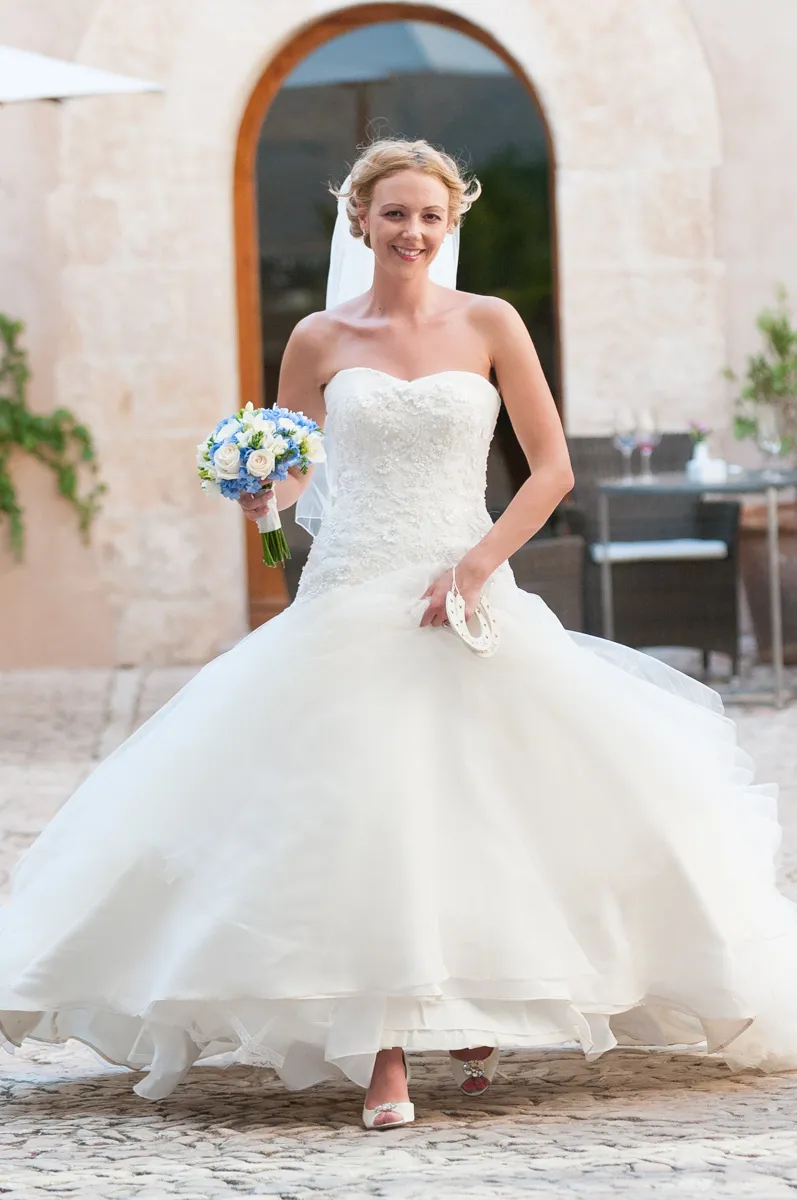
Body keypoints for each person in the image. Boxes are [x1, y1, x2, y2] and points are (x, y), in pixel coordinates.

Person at [2, 137, 796, 1132]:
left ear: (447, 221)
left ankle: (467, 1001)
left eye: (427, 215)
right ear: (361, 224)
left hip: (465, 584)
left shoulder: (491, 323)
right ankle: (382, 1054)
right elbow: (287, 467)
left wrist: (472, 565)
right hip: (349, 588)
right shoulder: (317, 339)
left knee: (486, 803)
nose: (410, 231)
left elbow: (548, 469)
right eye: (393, 216)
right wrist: (260, 494)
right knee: (363, 814)